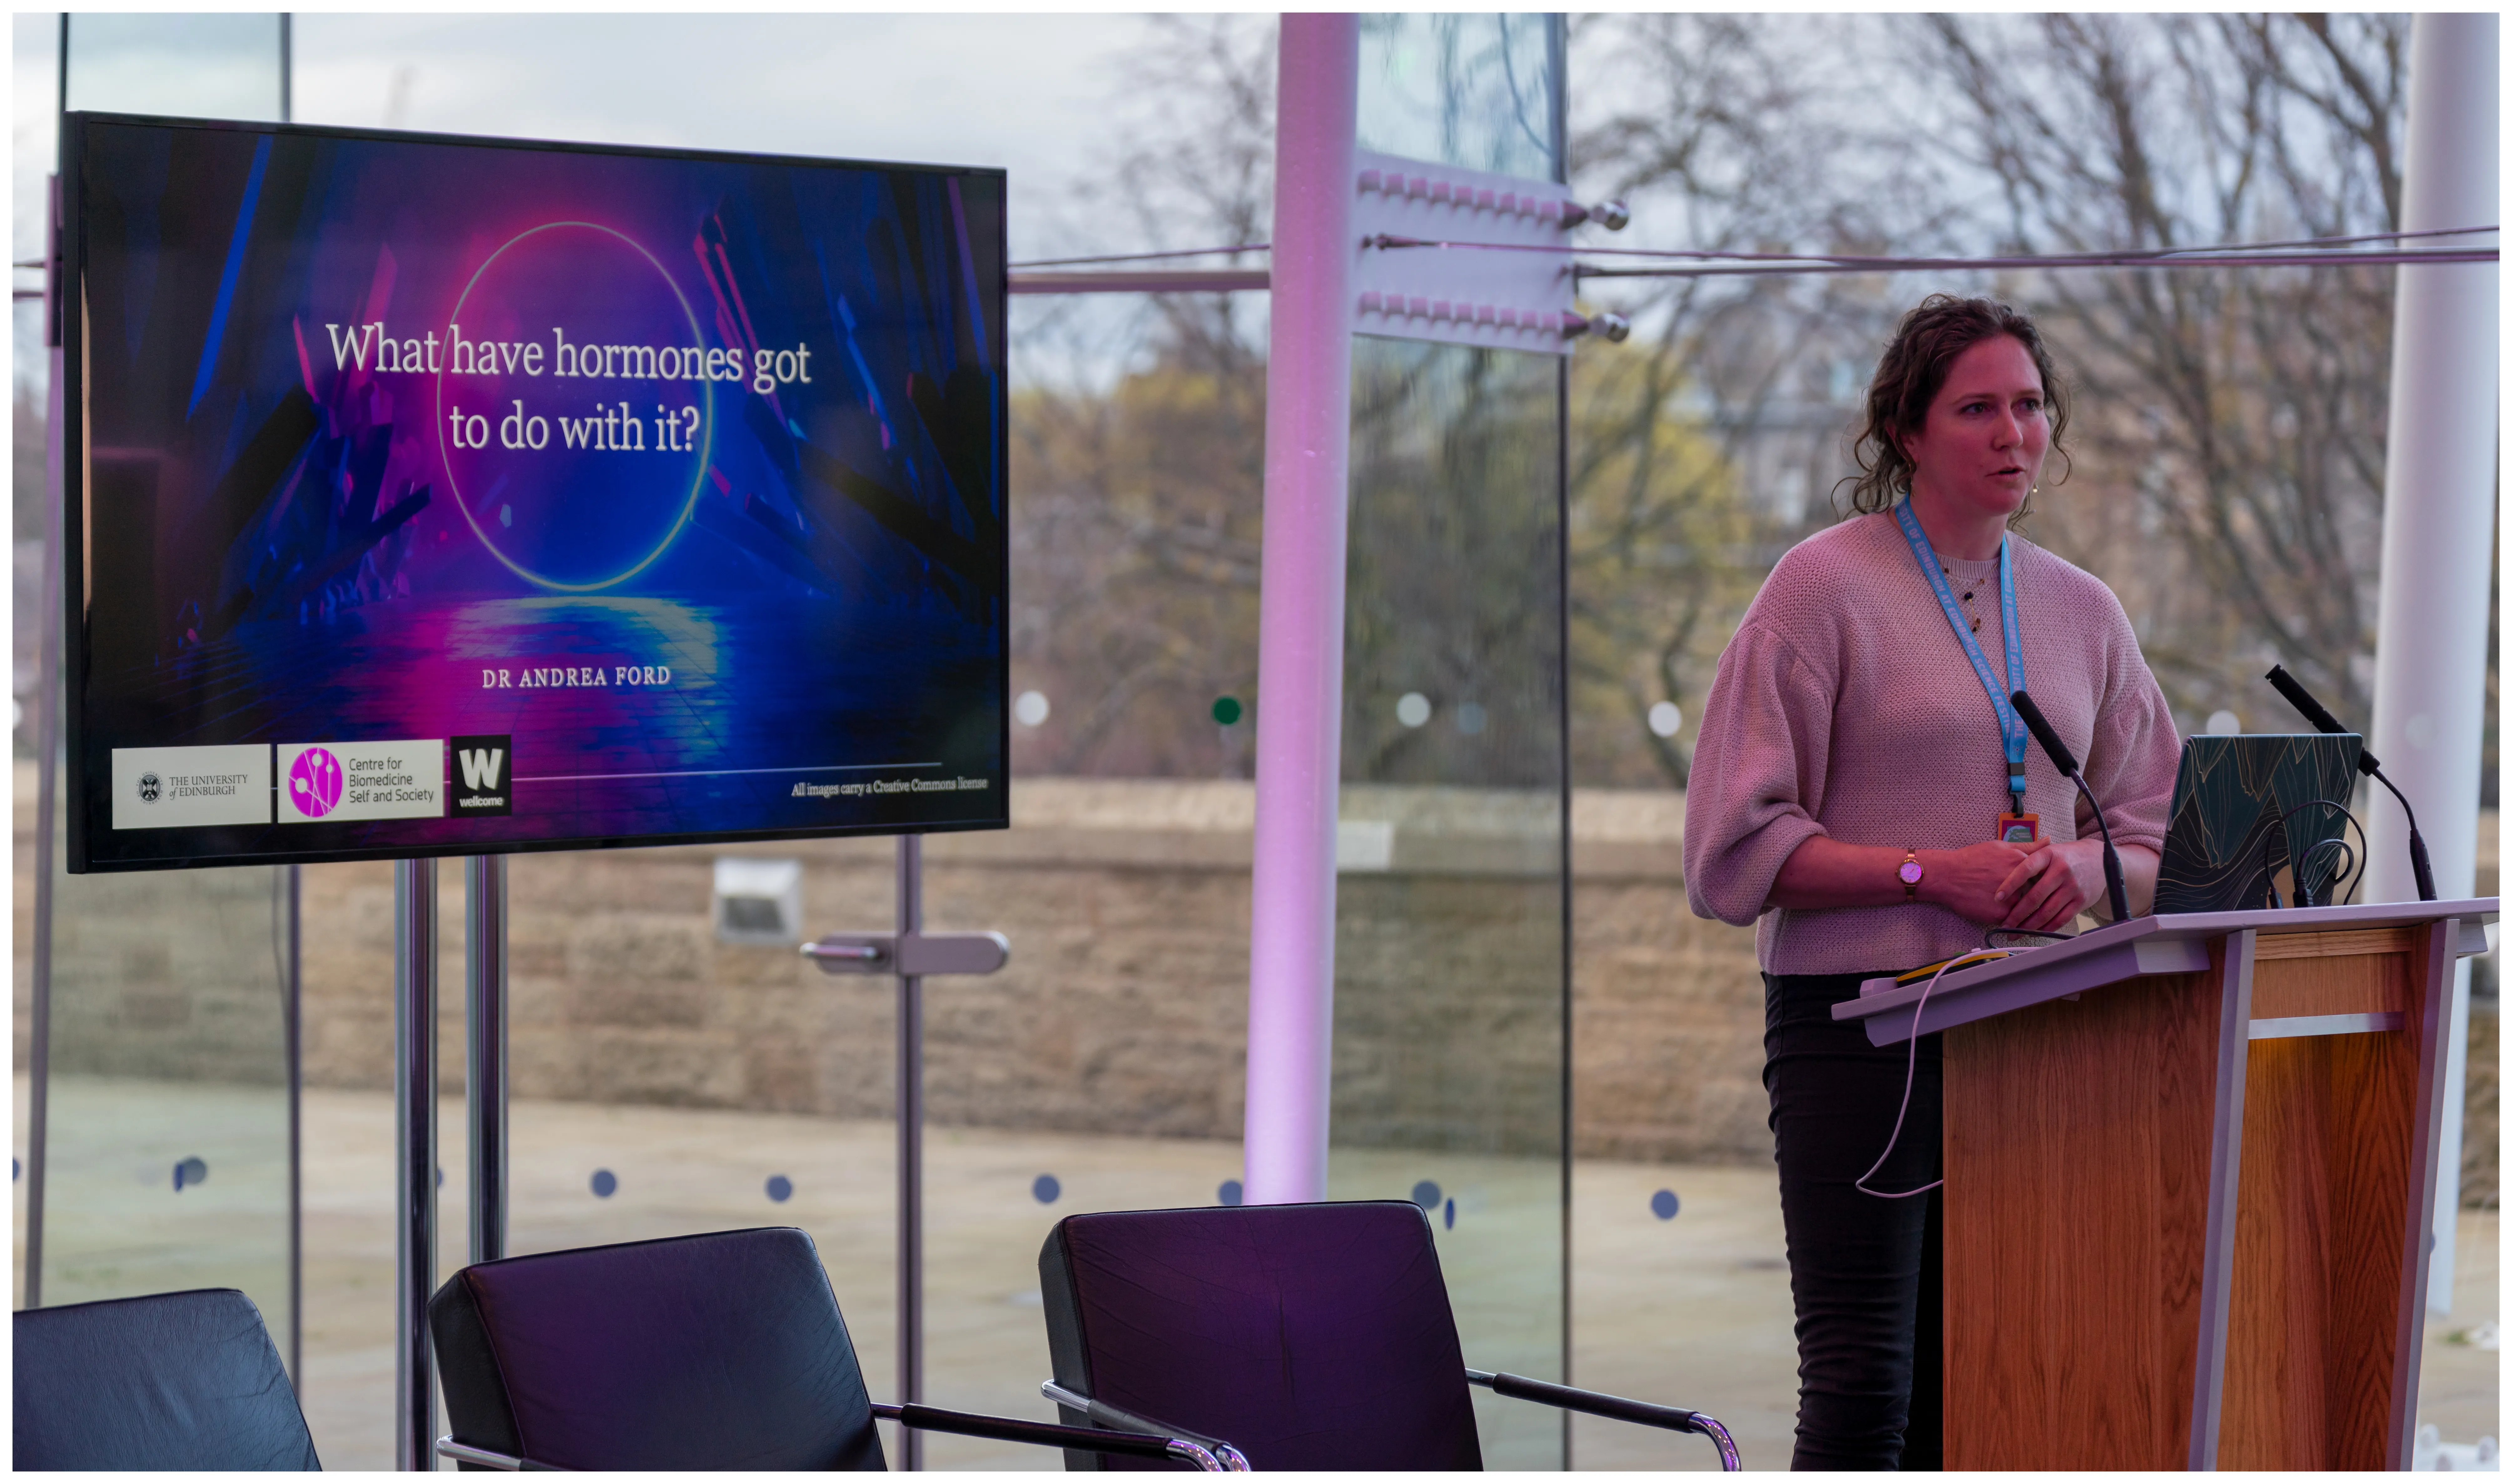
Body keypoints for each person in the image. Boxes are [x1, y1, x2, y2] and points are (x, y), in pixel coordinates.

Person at [1683, 295, 2181, 1470]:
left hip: (2035, 1032)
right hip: (1864, 1032)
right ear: (1907, 431)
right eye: (1978, 409)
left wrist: (2080, 865)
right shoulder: (1819, 590)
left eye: (2029, 405)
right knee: (1866, 1391)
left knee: (1999, 1376)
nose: (2015, 433)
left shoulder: (2082, 609)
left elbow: (2167, 832)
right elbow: (1729, 850)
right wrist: (1925, 870)